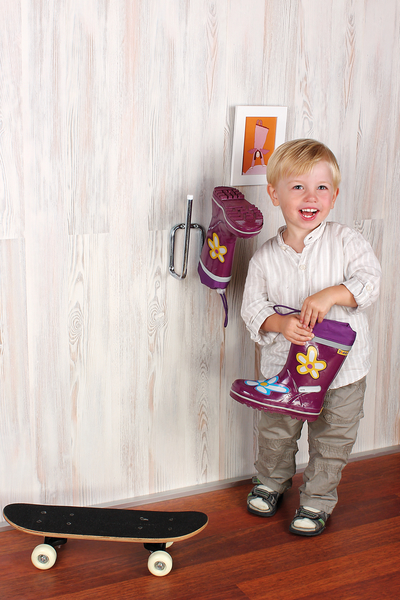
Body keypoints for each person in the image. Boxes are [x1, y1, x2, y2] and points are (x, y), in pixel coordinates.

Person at [240, 138, 381, 536]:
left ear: (333, 196)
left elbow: (370, 282)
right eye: (298, 186)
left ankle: (317, 500)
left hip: (343, 374)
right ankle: (271, 481)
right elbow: (252, 308)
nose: (310, 196)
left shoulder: (346, 241)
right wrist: (280, 324)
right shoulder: (265, 258)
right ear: (275, 194)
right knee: (276, 432)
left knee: (333, 439)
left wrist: (332, 293)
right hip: (284, 373)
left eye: (321, 187)